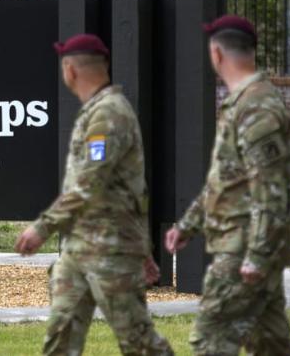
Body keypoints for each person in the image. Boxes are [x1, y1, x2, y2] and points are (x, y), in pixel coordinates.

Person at [15, 33, 173, 356]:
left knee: (139, 342)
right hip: (79, 248)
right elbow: (131, 189)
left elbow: (90, 184)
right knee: (59, 339)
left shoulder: (109, 115)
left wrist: (41, 227)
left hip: (111, 249)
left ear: (70, 70)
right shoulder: (94, 112)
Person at [165, 15, 290, 355]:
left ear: (217, 54)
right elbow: (225, 179)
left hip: (244, 247)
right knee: (271, 344)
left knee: (211, 341)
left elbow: (269, 188)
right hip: (245, 243)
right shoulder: (241, 104)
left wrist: (256, 255)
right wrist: (187, 225)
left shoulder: (258, 107)